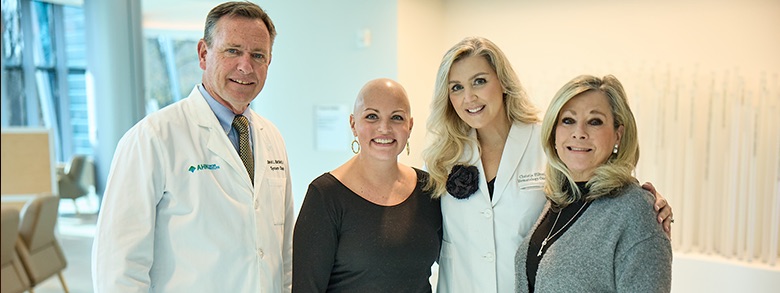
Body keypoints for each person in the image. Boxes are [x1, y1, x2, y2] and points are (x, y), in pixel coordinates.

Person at [421, 37, 673, 293]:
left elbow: (597, 195)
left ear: (502, 83)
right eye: (456, 87)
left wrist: (649, 205)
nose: (469, 97)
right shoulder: (441, 157)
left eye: (480, 81)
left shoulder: (549, 143)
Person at [92, 2, 293, 292]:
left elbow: (284, 250)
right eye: (233, 51)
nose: (245, 66)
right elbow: (118, 265)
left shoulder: (271, 137)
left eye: (258, 55)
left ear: (268, 63)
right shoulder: (152, 138)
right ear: (203, 53)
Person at [515, 74, 672, 292]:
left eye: (595, 122)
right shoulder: (557, 199)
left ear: (618, 134)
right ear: (553, 131)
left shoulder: (637, 211)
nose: (579, 133)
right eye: (568, 120)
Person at [292, 78, 441, 292]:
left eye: (396, 118)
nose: (384, 128)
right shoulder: (325, 196)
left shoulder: (428, 190)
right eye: (372, 116)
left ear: (410, 126)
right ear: (353, 124)